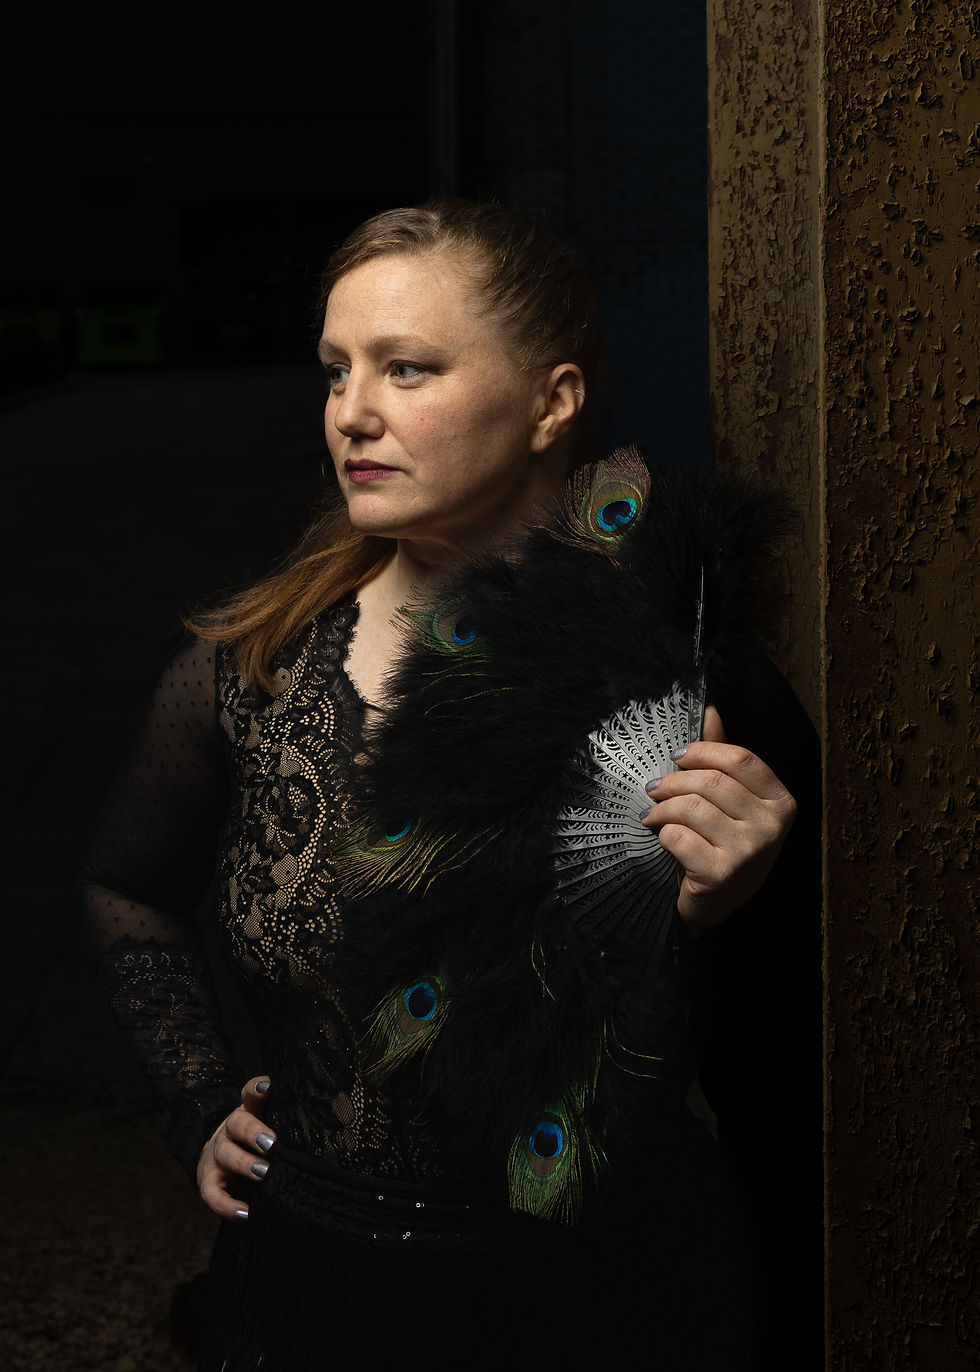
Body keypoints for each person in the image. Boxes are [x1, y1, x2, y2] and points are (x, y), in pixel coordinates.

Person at [83, 201, 820, 1370]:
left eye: (406, 368)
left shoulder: (693, 687)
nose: (351, 413)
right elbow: (128, 887)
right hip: (310, 1284)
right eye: (335, 372)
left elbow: (782, 1076)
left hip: (600, 1301)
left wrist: (723, 915)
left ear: (552, 402)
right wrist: (198, 1099)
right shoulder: (254, 668)